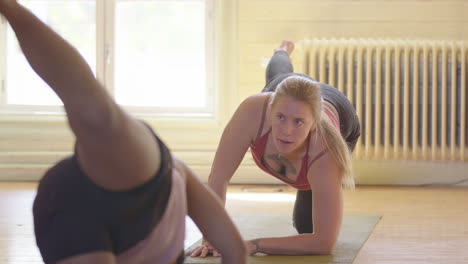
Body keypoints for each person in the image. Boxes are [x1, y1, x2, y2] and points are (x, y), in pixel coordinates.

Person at [0, 1, 247, 263]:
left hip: (72, 212)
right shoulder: (175, 177)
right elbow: (236, 250)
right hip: (155, 184)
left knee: (99, 118)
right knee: (98, 117)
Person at [191, 40, 361, 257]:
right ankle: (282, 51)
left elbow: (323, 243)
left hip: (339, 111)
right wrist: (212, 238)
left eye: (298, 122)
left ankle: (309, 182)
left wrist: (254, 245)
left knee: (306, 229)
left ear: (313, 124)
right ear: (271, 108)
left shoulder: (326, 150)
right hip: (291, 91)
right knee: (279, 76)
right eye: (280, 117)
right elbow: (218, 178)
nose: (286, 131)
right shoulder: (253, 112)